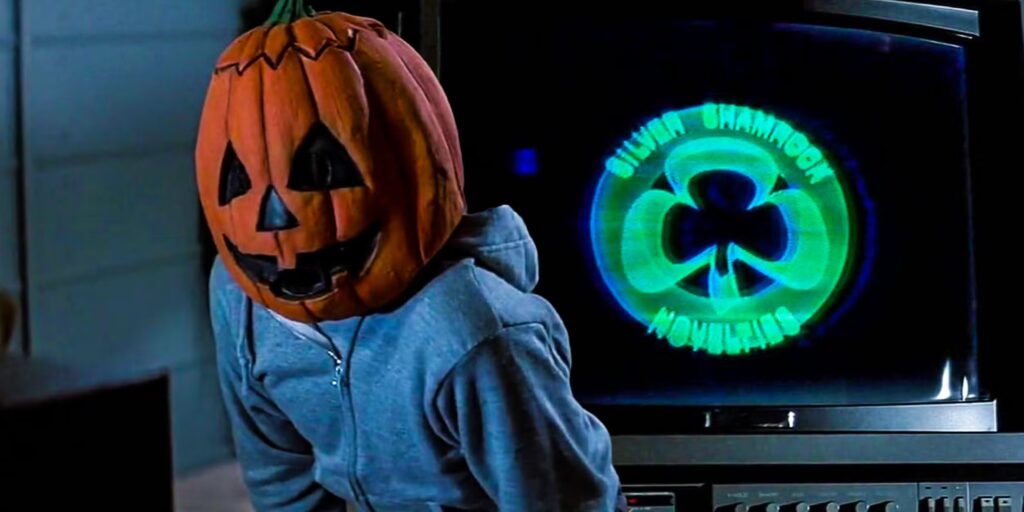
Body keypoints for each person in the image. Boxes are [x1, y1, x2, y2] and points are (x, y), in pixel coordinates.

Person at [197, 2, 624, 510]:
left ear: (408, 159)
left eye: (322, 170)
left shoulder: (474, 335)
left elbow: (559, 501)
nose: (275, 222)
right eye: (237, 179)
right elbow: (281, 482)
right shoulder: (239, 297)